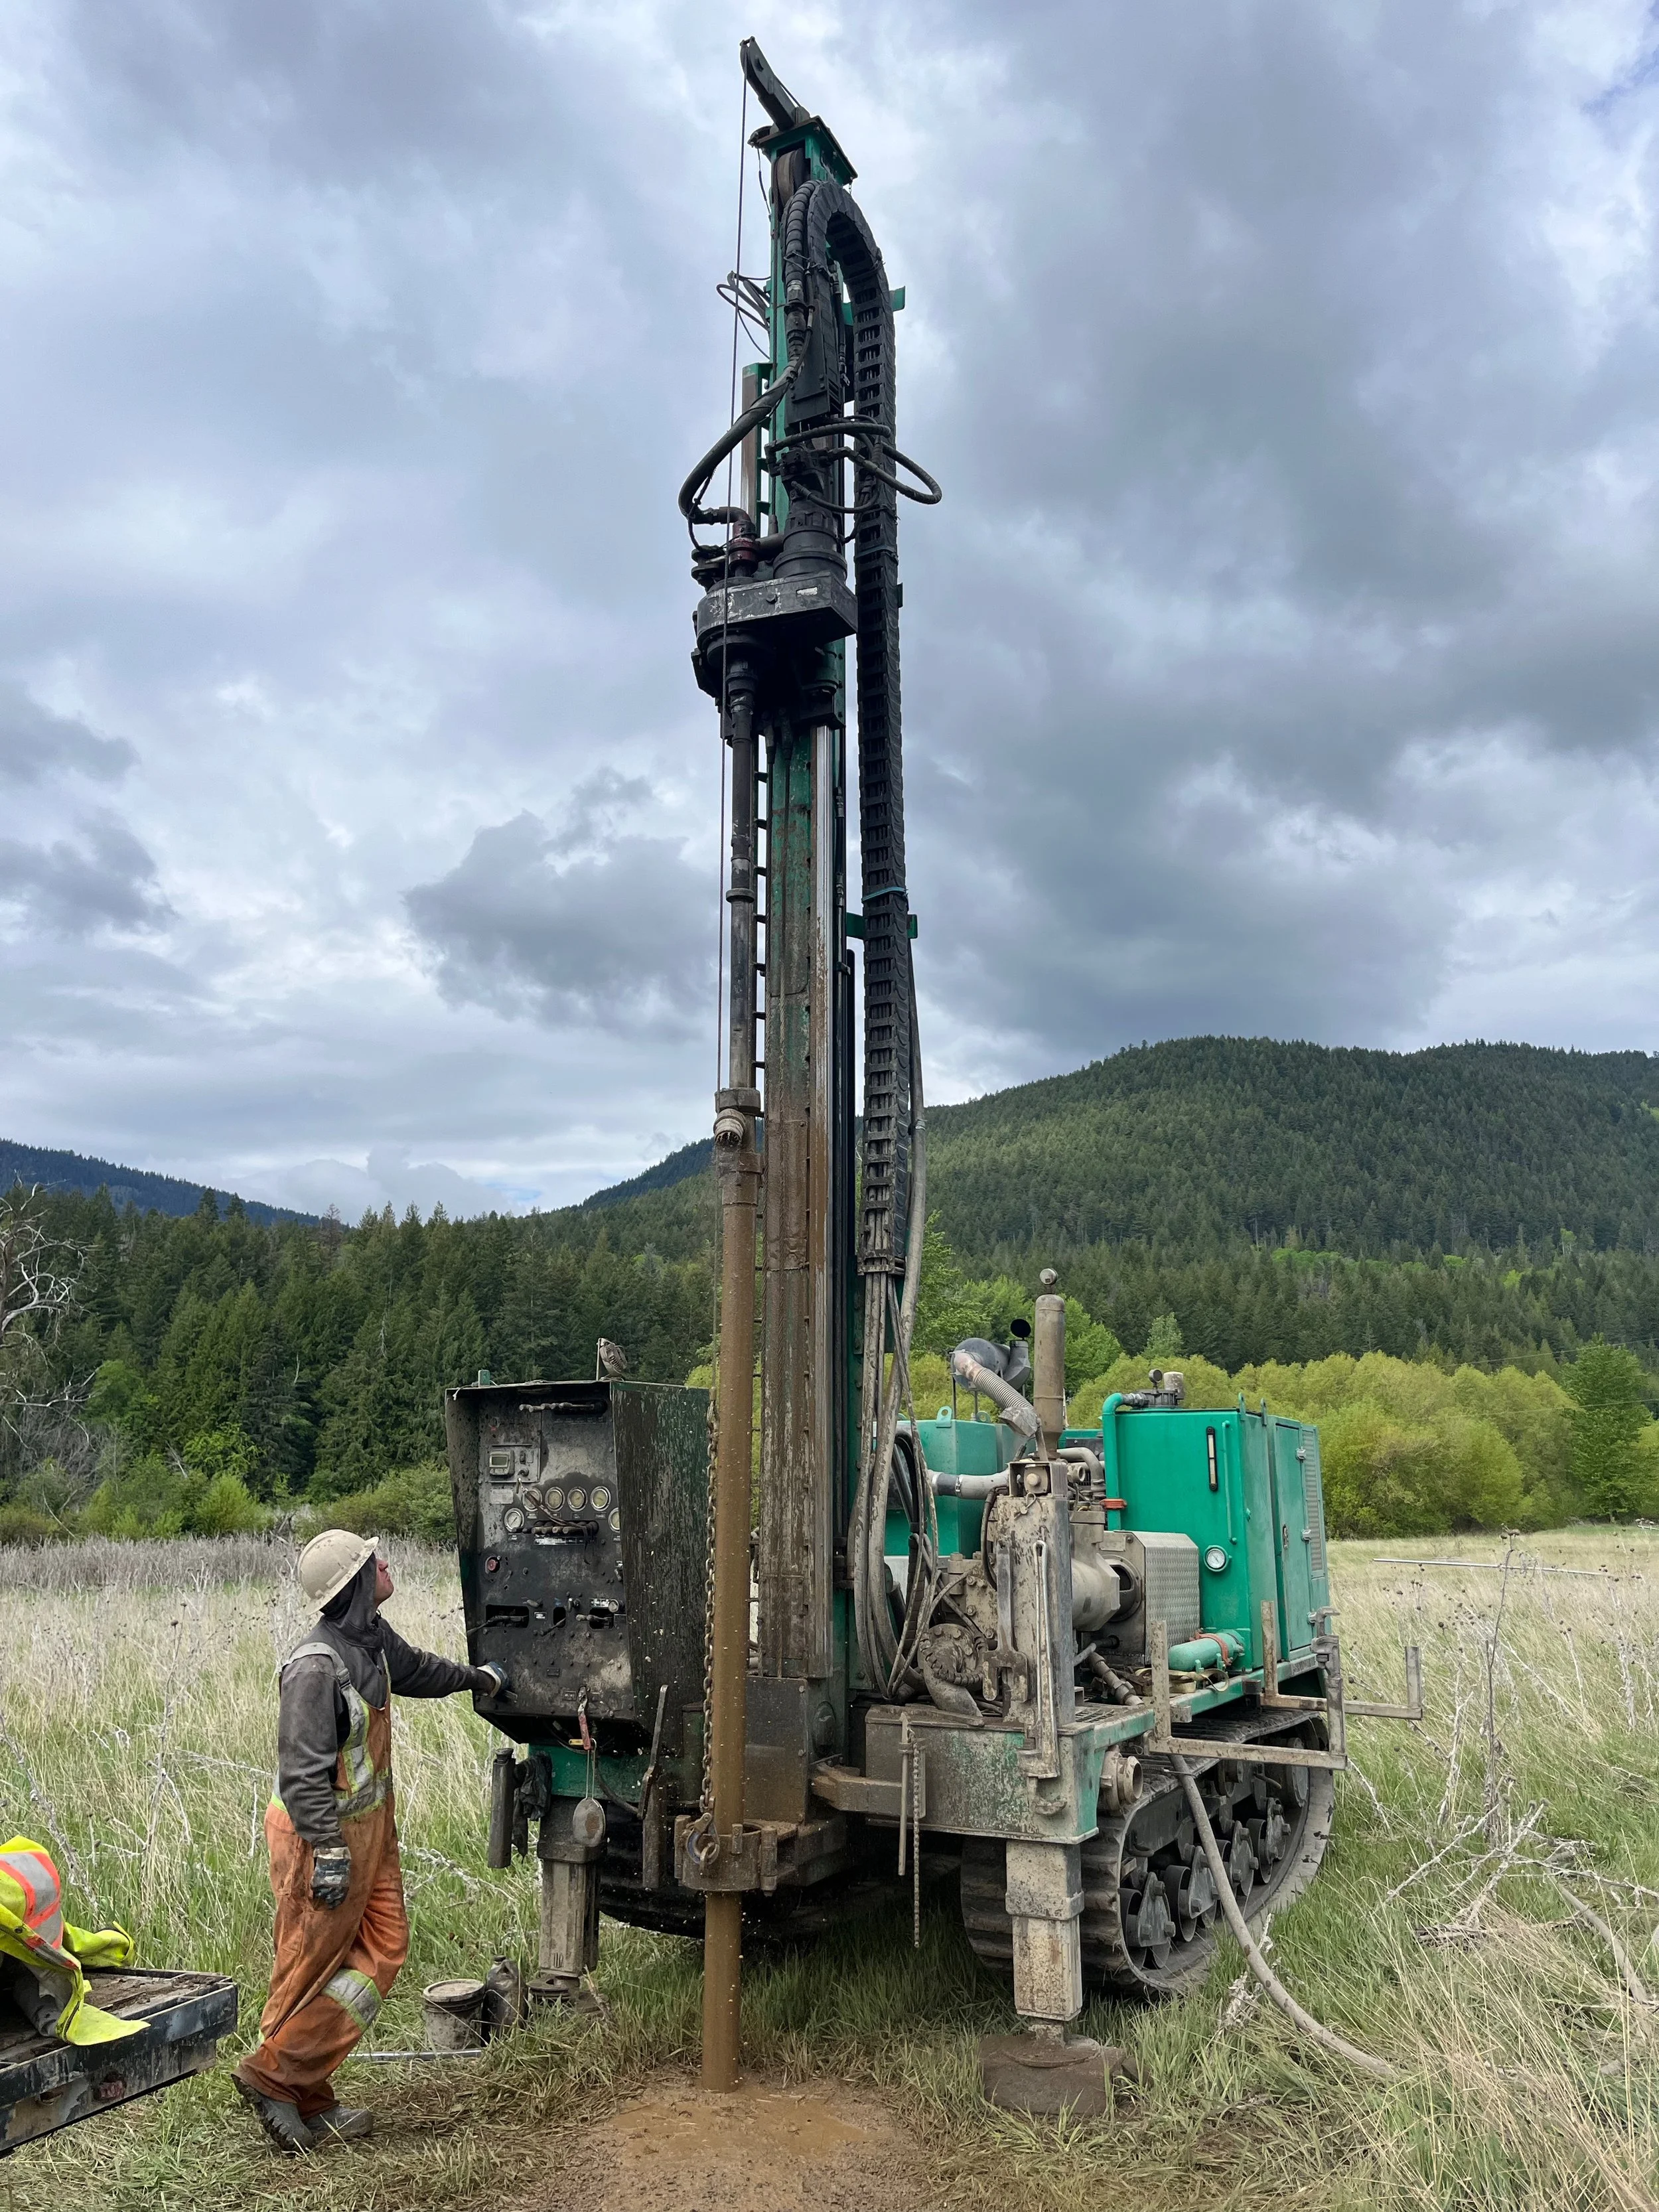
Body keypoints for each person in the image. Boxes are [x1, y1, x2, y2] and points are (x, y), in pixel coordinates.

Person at [232, 1529, 507, 2154]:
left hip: (370, 1833)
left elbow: (420, 1670)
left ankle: (298, 2081)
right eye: (373, 1560)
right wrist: (328, 1851)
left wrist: (479, 1679)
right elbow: (303, 1777)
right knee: (308, 1967)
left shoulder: (372, 1640)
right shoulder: (312, 1668)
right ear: (356, 1581)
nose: (386, 1563)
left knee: (383, 1949)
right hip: (319, 1839)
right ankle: (281, 2081)